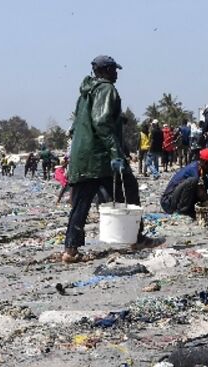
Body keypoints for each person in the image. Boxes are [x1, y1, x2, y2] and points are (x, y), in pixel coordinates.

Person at [62, 55, 161, 264]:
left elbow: (80, 123)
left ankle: (70, 249)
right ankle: (136, 238)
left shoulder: (86, 92)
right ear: (105, 70)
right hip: (101, 158)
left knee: (81, 203)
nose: (116, 74)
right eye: (114, 70)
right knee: (129, 188)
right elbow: (101, 122)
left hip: (83, 158)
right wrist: (116, 153)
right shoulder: (107, 89)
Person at [160, 148, 208, 218]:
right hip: (168, 202)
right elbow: (201, 194)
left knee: (205, 182)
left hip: (176, 198)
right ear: (205, 163)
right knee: (193, 181)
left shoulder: (200, 170)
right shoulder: (194, 170)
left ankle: (190, 210)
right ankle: (182, 212)